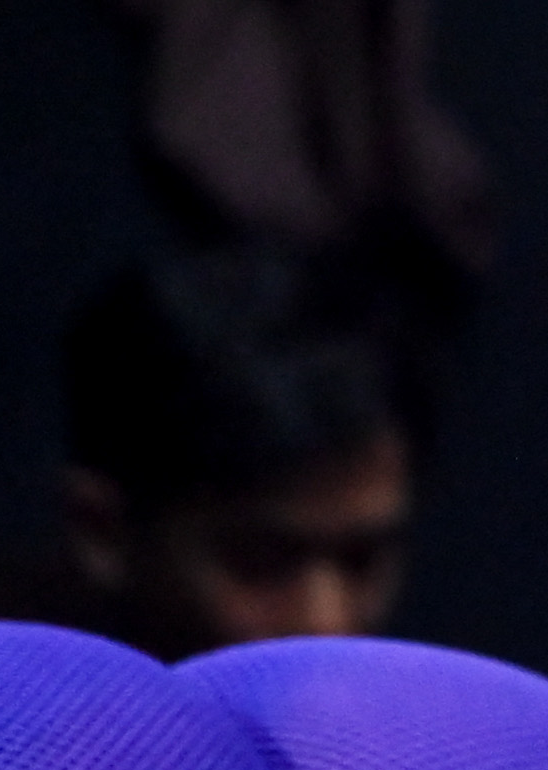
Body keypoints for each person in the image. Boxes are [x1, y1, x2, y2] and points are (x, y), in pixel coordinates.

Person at [58, 243, 427, 655]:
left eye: (362, 560)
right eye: (259, 562)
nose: (327, 625)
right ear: (103, 530)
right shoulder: (6, 690)